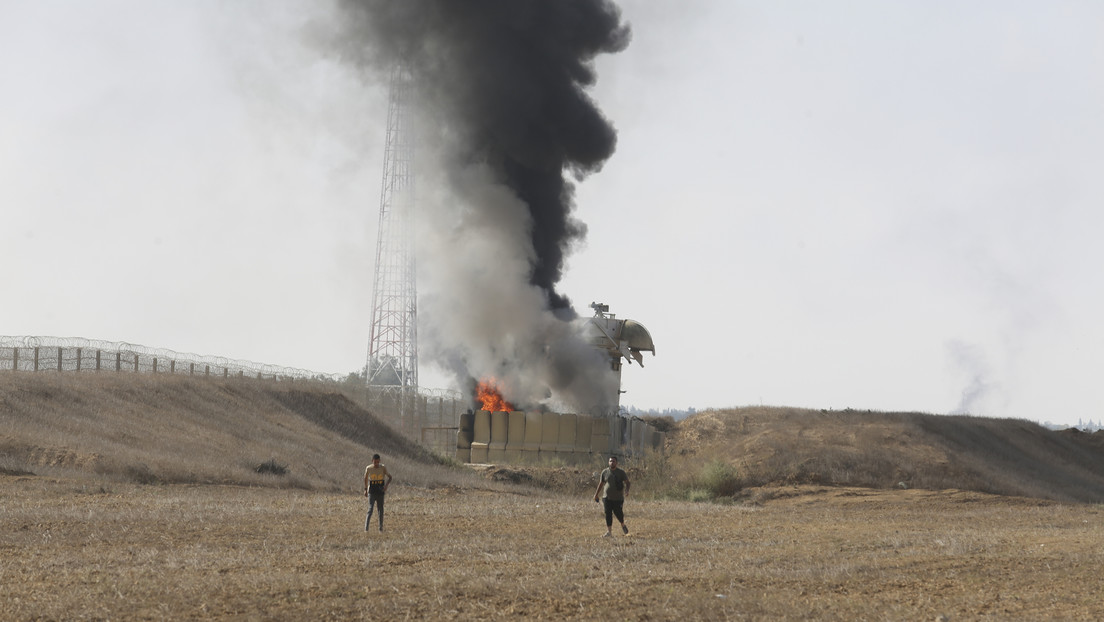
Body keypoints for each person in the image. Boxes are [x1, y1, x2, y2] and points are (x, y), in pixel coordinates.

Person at [593, 455, 630, 537]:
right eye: (610, 461)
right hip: (606, 497)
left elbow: (627, 482)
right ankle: (609, 532)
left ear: (616, 463)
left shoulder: (621, 472)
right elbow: (601, 484)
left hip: (618, 498)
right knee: (608, 513)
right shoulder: (604, 472)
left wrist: (627, 490)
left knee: (618, 513)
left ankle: (622, 524)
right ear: (608, 462)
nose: (612, 462)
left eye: (613, 461)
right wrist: (596, 495)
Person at [363, 453, 392, 532]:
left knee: (380, 510)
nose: (376, 464)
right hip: (372, 490)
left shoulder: (383, 468)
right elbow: (365, 478)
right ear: (372, 461)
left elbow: (390, 477)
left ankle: (380, 529)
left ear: (379, 461)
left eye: (377, 462)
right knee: (370, 509)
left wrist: (386, 486)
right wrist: (365, 489)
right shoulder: (368, 468)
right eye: (374, 462)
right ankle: (366, 529)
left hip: (380, 490)